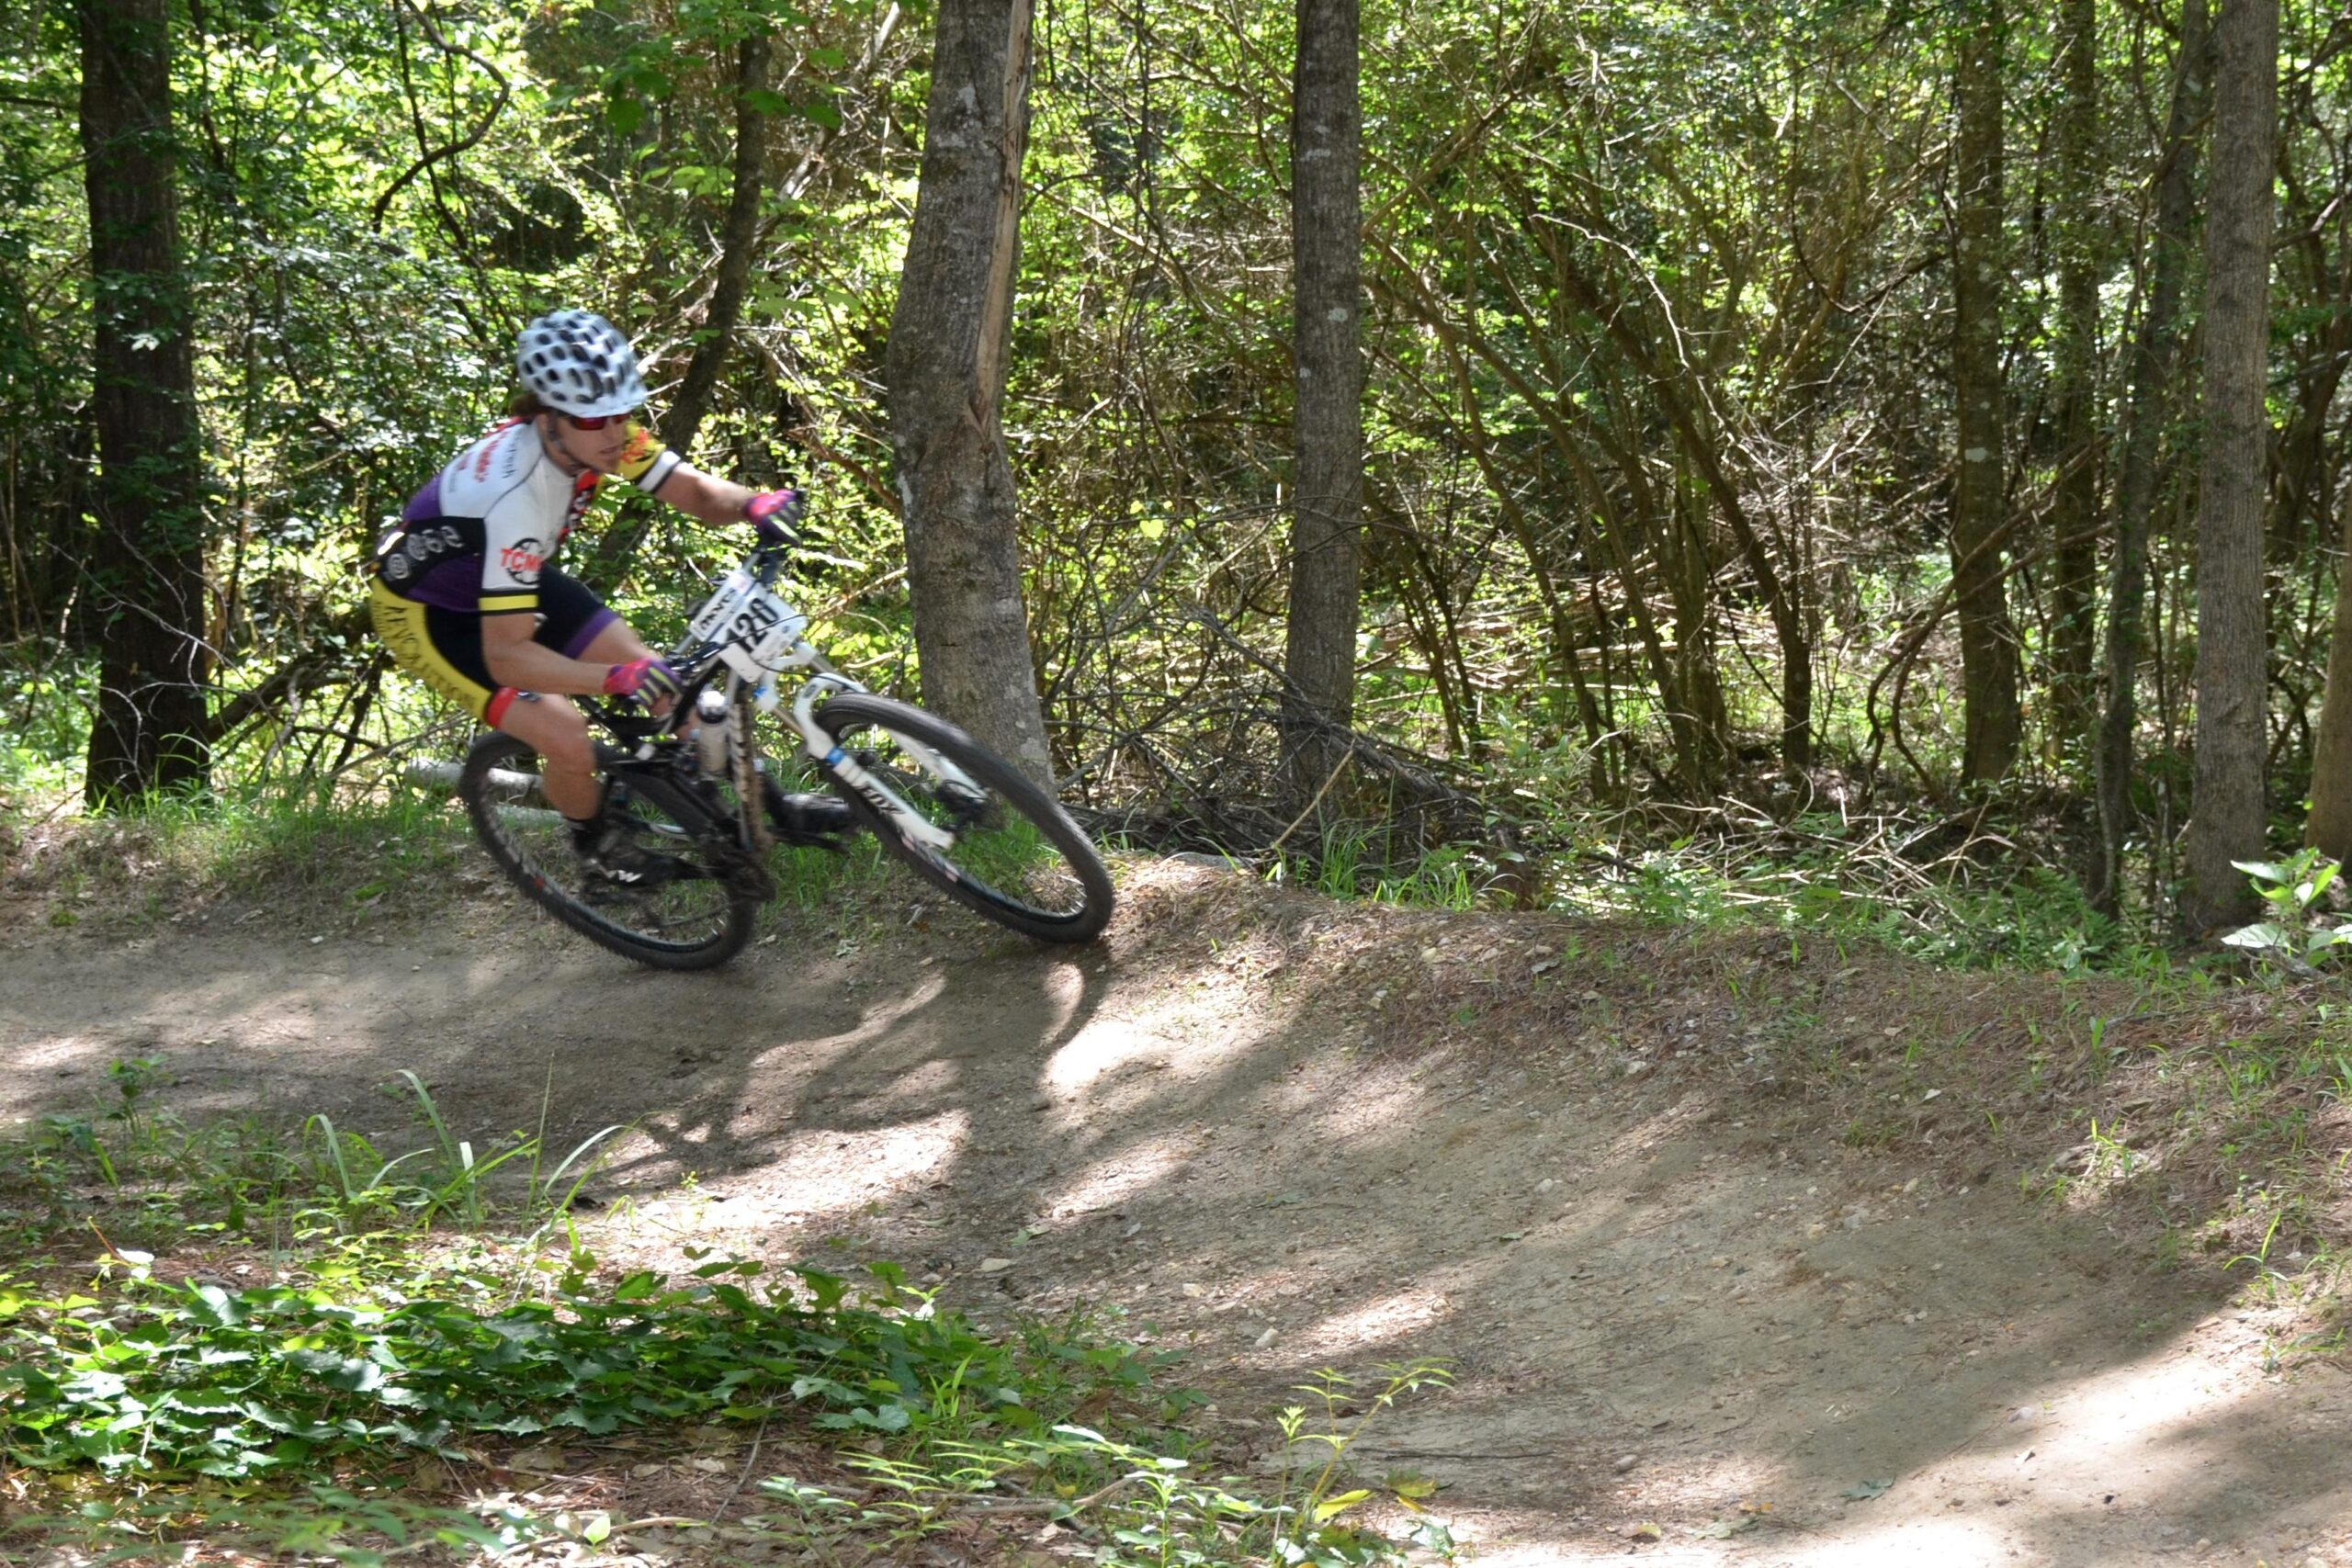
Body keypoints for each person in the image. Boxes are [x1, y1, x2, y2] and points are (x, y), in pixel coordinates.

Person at [370, 309, 849, 882]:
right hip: (428, 615)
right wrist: (609, 680)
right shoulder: (516, 493)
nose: (616, 432)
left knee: (664, 685)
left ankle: (770, 807)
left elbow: (693, 491)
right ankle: (598, 853)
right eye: (596, 421)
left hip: (500, 576)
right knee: (567, 734)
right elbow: (506, 656)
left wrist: (752, 503)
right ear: (549, 417)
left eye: (622, 413)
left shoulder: (596, 436)